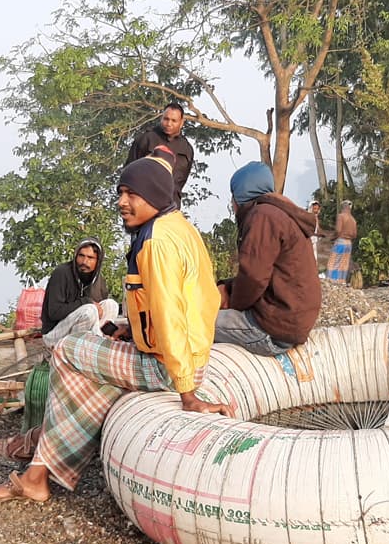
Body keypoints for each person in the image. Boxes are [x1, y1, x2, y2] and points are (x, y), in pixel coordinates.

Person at [0, 149, 230, 504]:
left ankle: (36, 458)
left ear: (155, 194)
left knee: (67, 349)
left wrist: (188, 394)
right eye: (120, 193)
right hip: (185, 355)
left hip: (168, 368)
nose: (122, 202)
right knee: (84, 378)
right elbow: (187, 303)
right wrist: (132, 331)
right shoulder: (179, 227)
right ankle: (36, 473)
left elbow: (171, 316)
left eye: (131, 194)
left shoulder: (156, 244)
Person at [214, 162, 321, 355]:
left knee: (195, 323)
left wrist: (231, 303)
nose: (232, 204)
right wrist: (228, 287)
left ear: (240, 196)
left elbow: (253, 278)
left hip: (274, 328)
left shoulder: (262, 217)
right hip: (294, 322)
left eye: (233, 197)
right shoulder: (280, 215)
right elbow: (263, 272)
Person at [40, 237, 119, 348]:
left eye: (90, 258)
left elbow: (99, 315)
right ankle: (81, 349)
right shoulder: (62, 273)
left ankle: (100, 340)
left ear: (98, 261)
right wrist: (86, 301)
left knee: (111, 305)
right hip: (54, 334)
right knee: (89, 310)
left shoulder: (98, 280)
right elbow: (54, 313)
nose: (84, 262)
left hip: (83, 330)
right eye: (81, 256)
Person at [125, 102, 194, 209]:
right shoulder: (146, 139)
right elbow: (128, 172)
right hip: (144, 204)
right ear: (161, 118)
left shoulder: (186, 149)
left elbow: (182, 181)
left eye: (174, 120)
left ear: (181, 122)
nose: (169, 124)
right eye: (166, 119)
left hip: (171, 206)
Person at [327, 200, 357, 283]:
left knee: (334, 262)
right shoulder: (353, 220)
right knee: (344, 263)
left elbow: (338, 230)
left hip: (341, 241)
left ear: (343, 207)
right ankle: (341, 281)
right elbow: (354, 235)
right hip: (349, 243)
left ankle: (332, 281)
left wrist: (332, 238)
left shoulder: (341, 216)